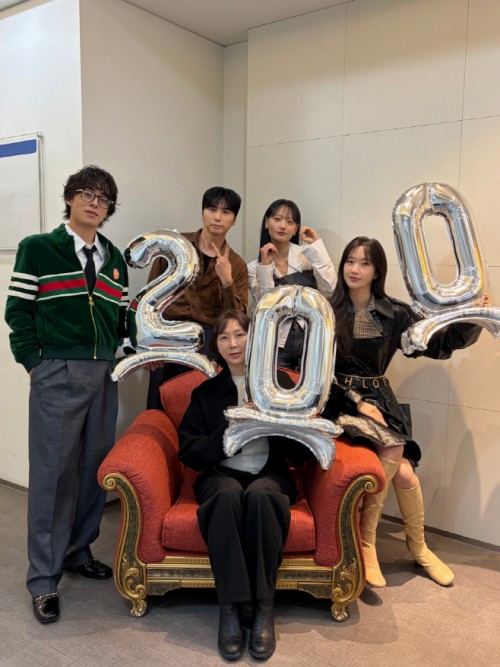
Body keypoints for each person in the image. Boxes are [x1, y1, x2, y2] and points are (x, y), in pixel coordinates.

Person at [323, 236, 486, 588]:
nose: (354, 269)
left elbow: (437, 343)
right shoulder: (327, 311)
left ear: (377, 271)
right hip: (340, 401)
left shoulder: (394, 313)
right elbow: (316, 371)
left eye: (364, 263)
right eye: (350, 260)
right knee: (395, 448)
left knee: (407, 477)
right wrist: (357, 402)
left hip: (382, 401)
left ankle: (419, 547)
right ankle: (367, 544)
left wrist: (471, 317)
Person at [5, 165, 129, 623]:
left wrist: (126, 354)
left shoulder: (114, 258)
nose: (95, 203)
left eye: (103, 198)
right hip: (57, 371)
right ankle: (43, 578)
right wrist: (34, 362)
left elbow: (121, 319)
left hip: (104, 374)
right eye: (87, 194)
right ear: (70, 198)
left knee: (94, 468)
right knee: (52, 474)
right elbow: (18, 311)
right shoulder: (39, 248)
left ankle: (78, 550)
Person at [178, 310, 311, 661]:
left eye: (240, 334)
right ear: (216, 346)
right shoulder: (205, 393)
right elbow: (189, 452)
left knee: (262, 495)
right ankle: (231, 609)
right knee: (226, 496)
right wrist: (232, 427)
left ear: (254, 338)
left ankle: (263, 606)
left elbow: (301, 451)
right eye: (224, 337)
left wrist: (277, 420)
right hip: (221, 475)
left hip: (270, 474)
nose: (233, 343)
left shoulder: (280, 385)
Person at [146, 186, 248, 409]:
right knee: (159, 408)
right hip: (167, 335)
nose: (217, 217)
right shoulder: (175, 246)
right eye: (212, 209)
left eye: (226, 212)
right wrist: (149, 343)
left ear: (234, 220)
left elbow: (236, 318)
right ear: (202, 212)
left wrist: (227, 281)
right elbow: (150, 298)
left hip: (207, 343)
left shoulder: (238, 265)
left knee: (200, 409)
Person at [247, 199, 336, 370]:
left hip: (312, 335)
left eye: (290, 222)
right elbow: (267, 309)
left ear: (296, 228)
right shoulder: (253, 267)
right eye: (277, 219)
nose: (283, 226)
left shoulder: (307, 254)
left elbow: (330, 287)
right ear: (266, 223)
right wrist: (265, 267)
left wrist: (317, 244)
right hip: (276, 341)